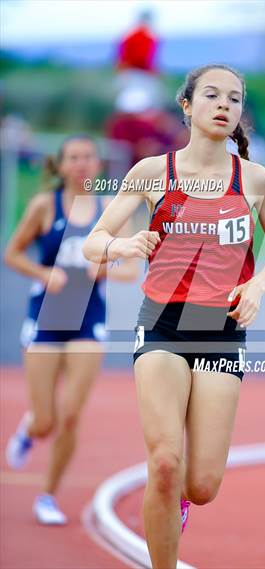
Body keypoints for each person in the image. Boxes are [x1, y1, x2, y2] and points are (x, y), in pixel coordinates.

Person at [83, 64, 265, 569]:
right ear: (187, 104)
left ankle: (177, 502)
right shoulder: (153, 173)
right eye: (212, 95)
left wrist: (257, 286)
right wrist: (124, 243)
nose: (224, 105)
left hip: (221, 333)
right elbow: (93, 241)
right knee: (163, 461)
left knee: (200, 484)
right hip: (161, 324)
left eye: (235, 99)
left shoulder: (256, 180)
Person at [4, 135, 138, 525]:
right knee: (46, 420)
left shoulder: (111, 210)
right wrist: (44, 272)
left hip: (88, 322)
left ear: (97, 165)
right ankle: (30, 429)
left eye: (88, 157)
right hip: (45, 320)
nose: (81, 164)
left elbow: (131, 267)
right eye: (73, 158)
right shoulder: (44, 206)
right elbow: (12, 253)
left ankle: (47, 496)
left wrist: (106, 266)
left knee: (71, 416)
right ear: (60, 166)